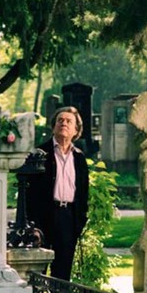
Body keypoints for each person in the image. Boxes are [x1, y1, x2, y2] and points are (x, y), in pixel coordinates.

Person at [26, 106, 89, 281]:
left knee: (62, 273)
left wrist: (79, 222)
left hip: (68, 218)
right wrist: (33, 225)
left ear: (76, 130)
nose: (64, 123)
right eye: (60, 120)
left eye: (69, 121)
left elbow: (83, 194)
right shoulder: (39, 154)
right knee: (38, 272)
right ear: (53, 126)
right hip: (43, 218)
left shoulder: (79, 158)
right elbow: (29, 192)